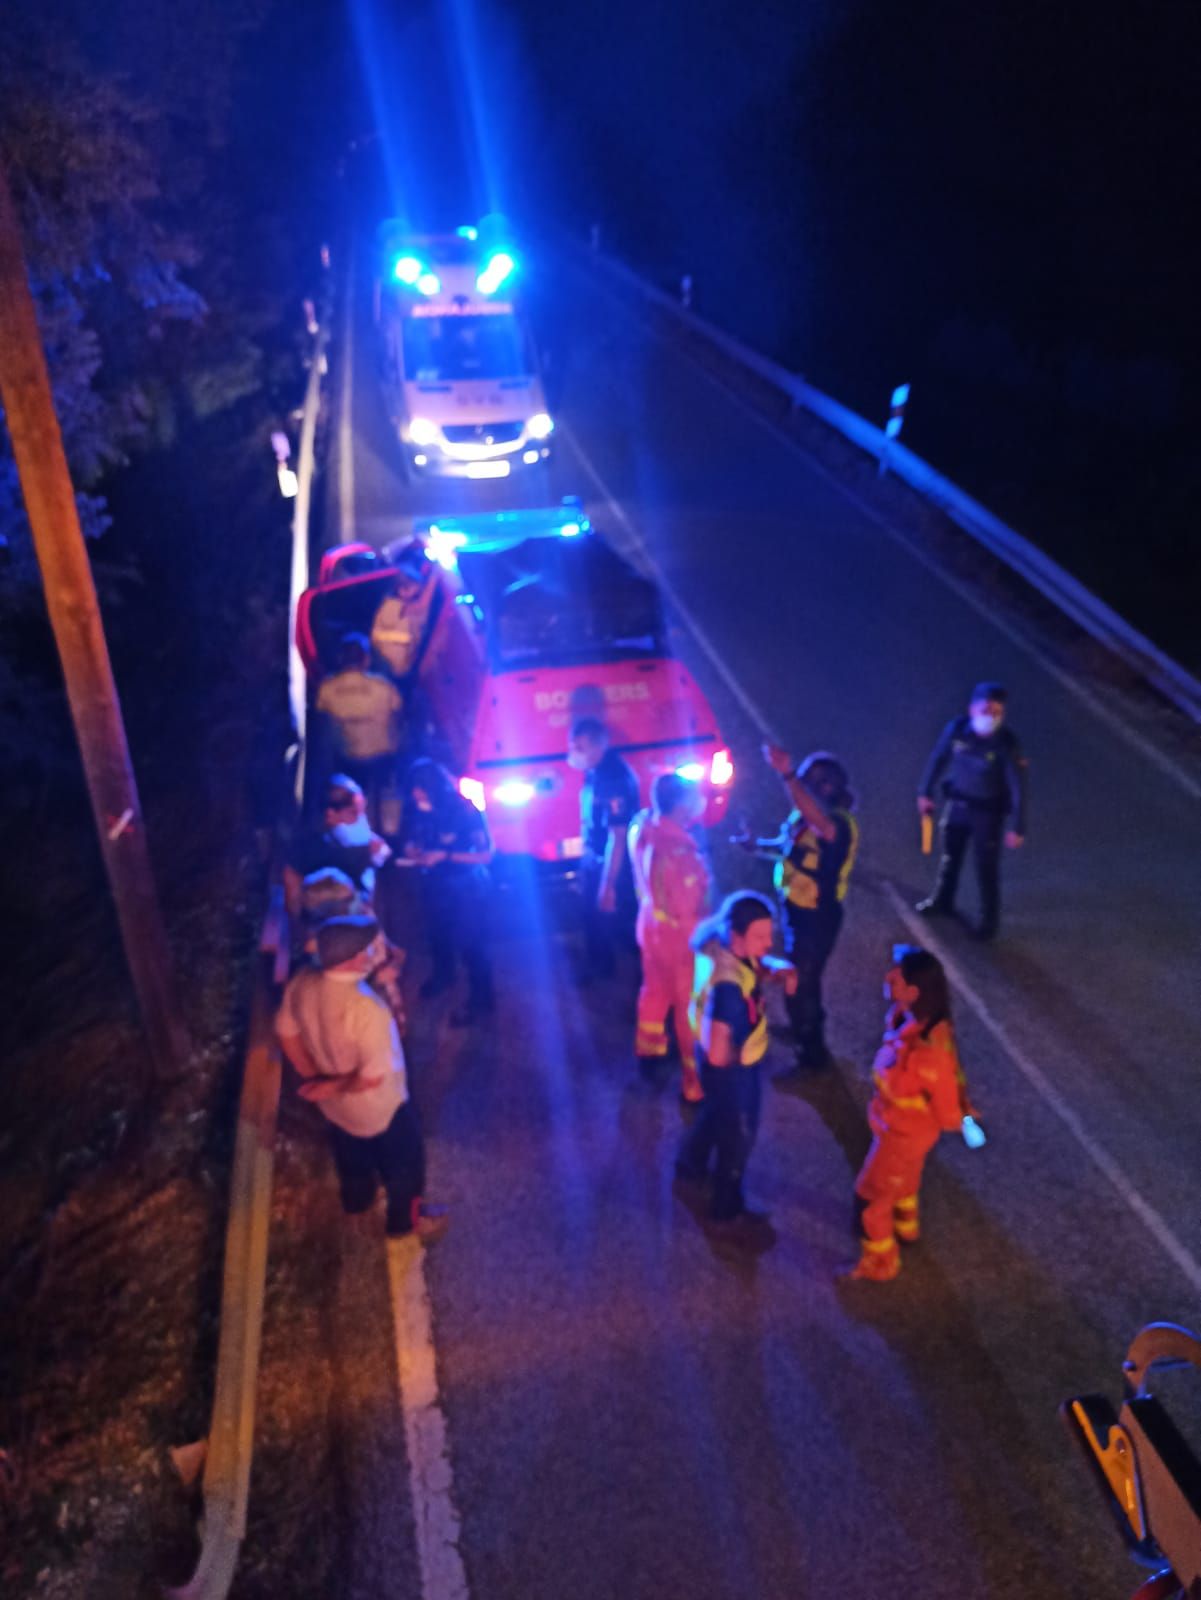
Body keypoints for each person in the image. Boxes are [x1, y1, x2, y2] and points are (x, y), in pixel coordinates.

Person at [275, 914, 448, 1243]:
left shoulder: (301, 982)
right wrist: (332, 1085)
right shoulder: (367, 1010)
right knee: (405, 1166)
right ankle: (405, 1223)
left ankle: (356, 1203)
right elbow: (372, 1077)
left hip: (336, 1109)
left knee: (350, 1151)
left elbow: (286, 1033)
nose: (377, 952)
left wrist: (315, 1077)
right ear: (357, 959)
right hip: (381, 1108)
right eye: (373, 947)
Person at [844, 946, 971, 1282]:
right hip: (902, 1133)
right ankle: (905, 1226)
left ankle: (881, 1261)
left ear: (914, 992)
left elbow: (948, 1110)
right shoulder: (909, 1019)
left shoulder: (927, 1055)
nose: (888, 978)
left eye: (896, 978)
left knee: (868, 1199)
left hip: (902, 1136)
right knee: (905, 1182)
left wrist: (968, 1122)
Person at [674, 893, 796, 1238]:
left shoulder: (716, 943)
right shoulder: (727, 990)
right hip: (733, 1067)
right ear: (736, 935)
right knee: (738, 1137)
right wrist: (733, 1070)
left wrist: (773, 967)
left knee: (715, 1112)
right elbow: (718, 1050)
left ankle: (690, 1164)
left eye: (768, 935)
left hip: (718, 1066)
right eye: (759, 938)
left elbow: (750, 967)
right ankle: (725, 1211)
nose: (768, 943)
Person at [739, 744, 859, 1070]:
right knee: (802, 980)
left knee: (802, 983)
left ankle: (813, 1056)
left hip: (817, 917)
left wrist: (787, 774)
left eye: (806, 784)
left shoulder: (839, 823)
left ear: (824, 787)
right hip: (797, 909)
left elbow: (820, 827)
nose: (800, 791)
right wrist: (757, 847)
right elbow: (790, 848)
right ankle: (802, 1032)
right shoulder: (804, 816)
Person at [916, 681, 1027, 941]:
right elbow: (938, 758)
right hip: (958, 805)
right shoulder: (957, 731)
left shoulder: (1006, 744)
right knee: (950, 858)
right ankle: (943, 901)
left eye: (997, 712)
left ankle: (989, 922)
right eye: (986, 709)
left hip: (987, 814)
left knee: (986, 867)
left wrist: (1018, 826)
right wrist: (925, 791)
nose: (990, 716)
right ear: (972, 709)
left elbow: (1018, 786)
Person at [628, 773, 712, 1098]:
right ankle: (693, 1080)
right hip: (680, 938)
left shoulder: (644, 827)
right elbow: (688, 907)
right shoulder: (681, 854)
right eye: (693, 797)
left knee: (654, 991)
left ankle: (649, 1052)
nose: (698, 802)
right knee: (687, 1006)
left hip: (650, 925)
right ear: (680, 806)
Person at [400, 758, 495, 1027]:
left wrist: (447, 855)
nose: (417, 796)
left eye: (422, 790)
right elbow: (413, 836)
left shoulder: (465, 809)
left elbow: (486, 855)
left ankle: (481, 999)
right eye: (414, 791)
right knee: (437, 935)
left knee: (473, 944)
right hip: (434, 884)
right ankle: (443, 975)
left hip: (467, 887)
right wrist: (412, 849)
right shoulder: (417, 808)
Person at [568, 717, 640, 980]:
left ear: (599, 746)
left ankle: (640, 984)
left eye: (580, 747)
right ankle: (600, 966)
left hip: (614, 865)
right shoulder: (595, 771)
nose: (573, 752)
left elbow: (617, 836)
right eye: (573, 745)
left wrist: (608, 884)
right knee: (592, 919)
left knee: (622, 925)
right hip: (595, 860)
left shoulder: (613, 779)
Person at [298, 867, 407, 1031]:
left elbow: (384, 943)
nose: (359, 898)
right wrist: (376, 981)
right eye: (349, 898)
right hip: (363, 1015)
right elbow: (336, 993)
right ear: (329, 908)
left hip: (386, 996)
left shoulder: (361, 912)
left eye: (354, 891)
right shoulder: (323, 946)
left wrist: (393, 954)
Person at [315, 633, 403, 817]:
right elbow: (399, 713)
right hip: (382, 758)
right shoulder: (384, 687)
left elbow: (321, 717)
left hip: (347, 757)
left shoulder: (327, 689)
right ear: (366, 659)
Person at [283, 775, 391, 921]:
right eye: (354, 812)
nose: (361, 819)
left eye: (362, 810)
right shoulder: (306, 846)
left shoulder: (363, 844)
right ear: (331, 814)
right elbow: (293, 897)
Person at [370, 564, 436, 682]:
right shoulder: (392, 606)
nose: (418, 589)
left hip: (398, 669)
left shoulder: (406, 607)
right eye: (414, 586)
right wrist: (435, 576)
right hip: (386, 668)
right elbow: (421, 607)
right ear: (402, 590)